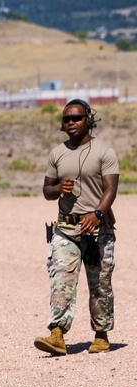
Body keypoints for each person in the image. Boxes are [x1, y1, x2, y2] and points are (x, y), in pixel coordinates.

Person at [34, 99, 120, 356]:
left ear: (88, 121)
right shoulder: (57, 154)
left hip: (98, 230)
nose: (71, 123)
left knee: (100, 284)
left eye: (77, 118)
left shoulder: (104, 151)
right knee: (61, 280)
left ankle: (101, 334)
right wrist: (59, 188)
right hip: (66, 230)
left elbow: (111, 189)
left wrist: (96, 214)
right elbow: (47, 191)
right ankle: (57, 334)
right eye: (67, 119)